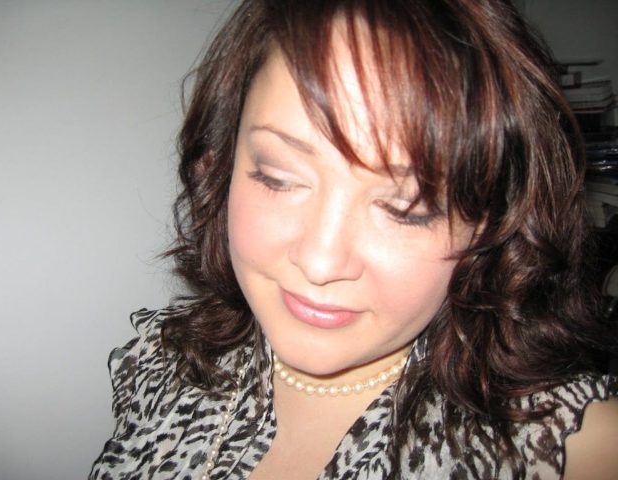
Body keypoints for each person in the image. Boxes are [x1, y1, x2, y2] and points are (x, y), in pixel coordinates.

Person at [89, 1, 618, 478]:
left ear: (490, 222)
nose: (320, 263)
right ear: (222, 164)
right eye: (278, 176)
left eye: (405, 208)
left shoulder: (568, 450)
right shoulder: (163, 364)